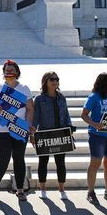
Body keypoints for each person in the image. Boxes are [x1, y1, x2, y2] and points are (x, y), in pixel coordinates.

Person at [0, 60, 32, 202]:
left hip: (19, 128)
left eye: (12, 69)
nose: (9, 71)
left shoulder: (24, 88)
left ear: (17, 72)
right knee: (2, 159)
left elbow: (30, 109)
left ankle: (20, 190)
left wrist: (28, 125)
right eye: (7, 69)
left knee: (19, 159)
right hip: (1, 129)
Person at [81, 72, 107, 205]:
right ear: (105, 83)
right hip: (97, 135)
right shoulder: (94, 97)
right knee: (95, 163)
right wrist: (94, 124)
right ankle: (91, 192)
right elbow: (84, 115)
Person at [31, 71, 71, 200]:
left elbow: (66, 113)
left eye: (56, 79)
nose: (54, 81)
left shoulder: (61, 97)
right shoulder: (39, 98)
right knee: (43, 162)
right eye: (51, 79)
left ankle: (62, 190)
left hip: (60, 132)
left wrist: (69, 129)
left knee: (61, 163)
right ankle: (43, 189)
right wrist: (33, 133)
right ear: (46, 82)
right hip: (44, 133)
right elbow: (35, 117)